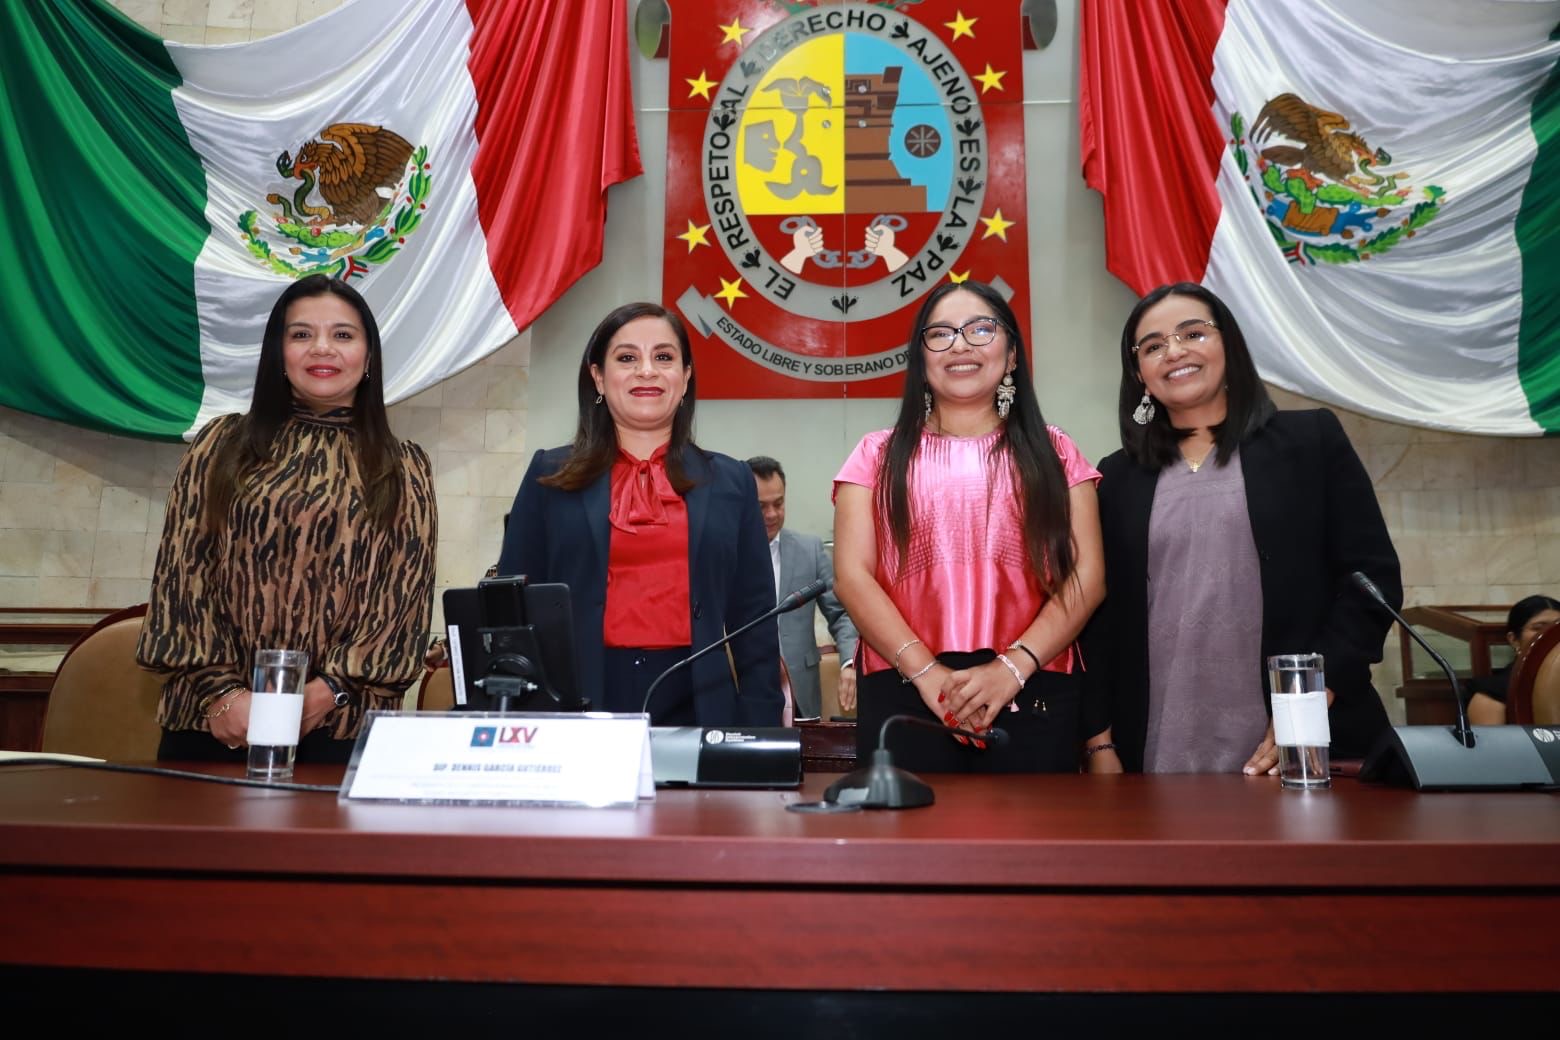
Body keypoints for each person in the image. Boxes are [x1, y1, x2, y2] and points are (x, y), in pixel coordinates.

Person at [1083, 282, 1401, 775]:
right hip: (1158, 746)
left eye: (1193, 333)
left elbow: (1371, 579)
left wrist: (1310, 697)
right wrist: (1098, 743)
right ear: (1140, 374)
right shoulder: (1116, 477)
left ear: (1228, 345)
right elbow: (1100, 623)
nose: (1175, 352)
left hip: (1304, 735)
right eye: (1153, 346)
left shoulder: (1309, 441)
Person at [137, 275, 437, 762]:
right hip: (214, 723)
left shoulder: (404, 467)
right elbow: (182, 574)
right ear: (278, 353)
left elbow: (403, 599)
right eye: (301, 334)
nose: (322, 348)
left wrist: (329, 691)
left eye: (343, 334)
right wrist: (222, 693)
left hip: (340, 728)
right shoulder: (220, 444)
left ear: (369, 357)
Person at [832, 280, 1105, 771]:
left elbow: (1088, 576)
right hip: (904, 686)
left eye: (980, 329)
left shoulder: (1057, 451)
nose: (960, 345)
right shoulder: (875, 455)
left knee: (1040, 823)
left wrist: (1011, 668)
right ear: (920, 360)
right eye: (940, 334)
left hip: (1033, 684)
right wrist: (928, 675)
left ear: (1012, 355)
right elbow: (852, 577)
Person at [495, 302, 782, 726]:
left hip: (700, 701)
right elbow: (513, 608)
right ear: (598, 376)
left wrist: (760, 732)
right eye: (627, 358)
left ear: (685, 377)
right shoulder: (548, 474)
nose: (646, 371)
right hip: (577, 701)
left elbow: (754, 620)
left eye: (663, 357)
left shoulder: (732, 481)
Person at [747, 455, 859, 721]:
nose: (772, 514)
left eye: (778, 503)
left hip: (801, 690)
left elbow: (841, 613)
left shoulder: (810, 550)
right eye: (761, 506)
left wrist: (849, 661)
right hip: (744, 687)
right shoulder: (727, 553)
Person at [1466, 595, 1560, 725]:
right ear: (1514, 639)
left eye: (1556, 630)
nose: (1549, 636)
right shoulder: (1492, 695)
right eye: (1538, 628)